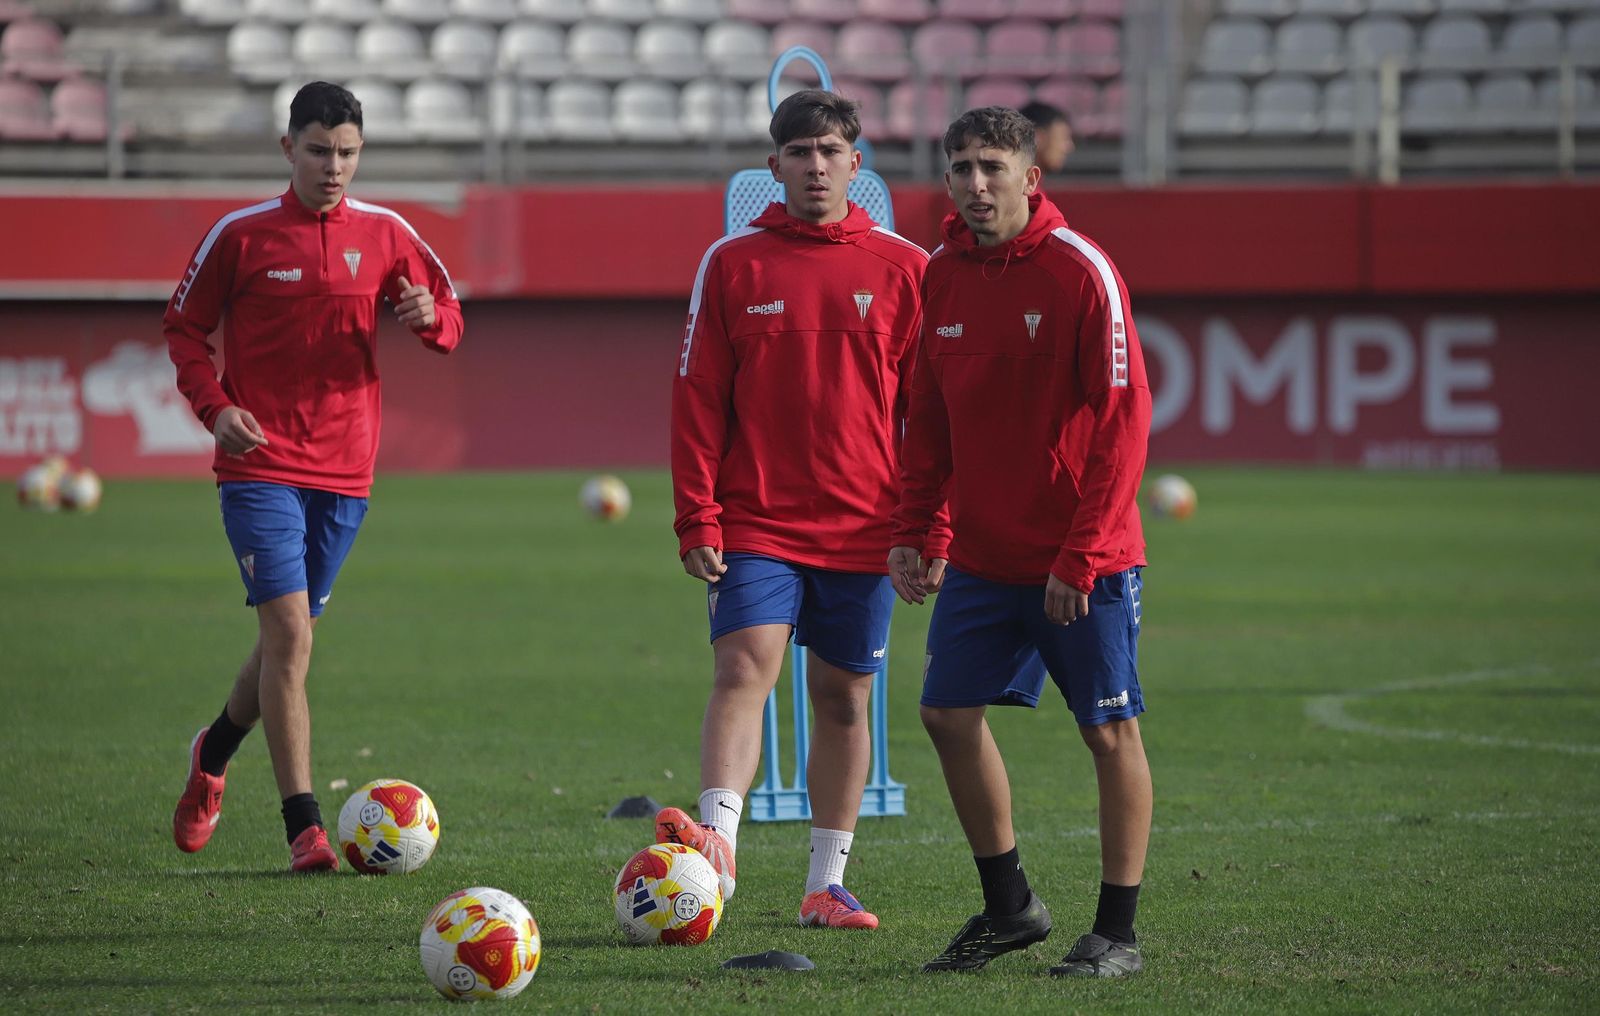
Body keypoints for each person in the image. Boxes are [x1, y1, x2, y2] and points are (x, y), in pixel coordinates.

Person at [165, 81, 463, 872]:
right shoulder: (239, 235)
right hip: (258, 462)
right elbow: (184, 329)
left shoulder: (388, 231)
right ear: (288, 148)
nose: (334, 167)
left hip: (347, 470)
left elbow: (448, 312)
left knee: (284, 643)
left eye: (348, 153)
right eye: (320, 151)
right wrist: (215, 408)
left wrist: (430, 321)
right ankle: (305, 828)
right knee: (291, 636)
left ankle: (212, 751)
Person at [889, 106, 1152, 977]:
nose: (976, 184)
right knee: (944, 714)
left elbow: (1123, 424)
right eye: (962, 167)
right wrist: (918, 526)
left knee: (1107, 733)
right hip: (983, 555)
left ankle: (1116, 933)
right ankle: (1011, 909)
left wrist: (1082, 554)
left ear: (1030, 179)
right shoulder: (939, 276)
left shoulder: (1082, 271)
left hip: (1081, 560)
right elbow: (928, 417)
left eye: (993, 167)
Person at [659, 88, 929, 930]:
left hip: (866, 527)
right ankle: (718, 844)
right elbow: (697, 397)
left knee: (843, 700)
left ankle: (825, 886)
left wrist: (928, 527)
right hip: (756, 521)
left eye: (830, 152)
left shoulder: (906, 267)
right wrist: (697, 514)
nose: (816, 166)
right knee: (744, 670)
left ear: (856, 163)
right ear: (773, 165)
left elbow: (931, 418)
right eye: (800, 152)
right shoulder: (731, 262)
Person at [1020, 100, 1075, 175]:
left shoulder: (1030, 181)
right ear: (1037, 138)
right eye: (1064, 138)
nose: (1070, 148)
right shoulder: (1014, 182)